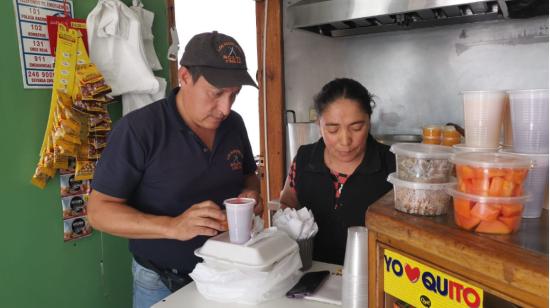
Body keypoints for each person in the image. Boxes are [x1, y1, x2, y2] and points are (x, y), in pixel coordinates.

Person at [87, 31, 262, 308]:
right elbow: (98, 212)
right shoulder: (139, 130)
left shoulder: (234, 124)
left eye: (234, 95)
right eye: (216, 93)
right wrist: (172, 226)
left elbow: (248, 176)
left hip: (228, 274)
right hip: (161, 281)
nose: (225, 108)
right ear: (184, 77)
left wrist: (251, 195)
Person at [279, 78, 395, 265]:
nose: (345, 140)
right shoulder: (304, 159)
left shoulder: (392, 164)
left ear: (369, 121)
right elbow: (287, 202)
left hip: (372, 280)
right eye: (332, 129)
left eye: (356, 127)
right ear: (319, 124)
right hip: (310, 276)